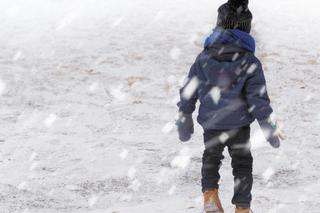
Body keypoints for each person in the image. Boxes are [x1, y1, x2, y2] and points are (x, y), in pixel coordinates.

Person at [176, 0, 283, 212]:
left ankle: (210, 198)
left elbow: (189, 89)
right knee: (242, 164)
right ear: (246, 31)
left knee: (211, 159)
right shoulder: (250, 62)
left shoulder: (203, 58)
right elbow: (258, 99)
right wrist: (268, 126)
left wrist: (184, 115)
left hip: (212, 122)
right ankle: (243, 207)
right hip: (239, 125)